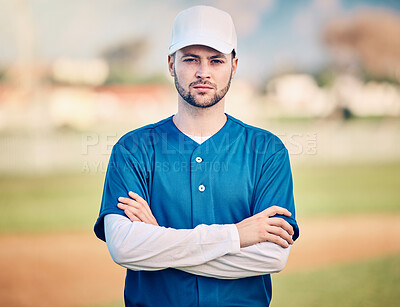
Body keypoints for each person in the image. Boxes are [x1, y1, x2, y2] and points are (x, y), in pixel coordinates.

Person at [94, 5, 299, 307]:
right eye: (190, 59)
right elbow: (124, 248)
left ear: (234, 64)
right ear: (171, 64)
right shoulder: (132, 149)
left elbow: (272, 256)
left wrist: (159, 239)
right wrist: (236, 236)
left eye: (216, 60)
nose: (203, 72)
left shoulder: (267, 151)